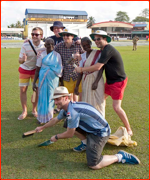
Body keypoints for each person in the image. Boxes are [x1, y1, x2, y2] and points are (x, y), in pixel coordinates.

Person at [35, 86, 140, 169]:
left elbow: (69, 134)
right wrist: (42, 127)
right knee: (67, 122)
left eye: (58, 99)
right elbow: (55, 120)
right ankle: (85, 144)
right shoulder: (68, 107)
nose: (55, 102)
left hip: (100, 133)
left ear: (66, 98)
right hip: (93, 128)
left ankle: (120, 156)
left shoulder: (72, 112)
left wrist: (56, 137)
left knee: (94, 164)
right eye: (55, 100)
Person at [75, 30, 133, 136]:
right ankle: (98, 121)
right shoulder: (102, 50)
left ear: (105, 39)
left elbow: (98, 67)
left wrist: (81, 69)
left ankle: (129, 129)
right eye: (95, 39)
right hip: (109, 81)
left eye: (99, 39)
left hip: (118, 81)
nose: (96, 41)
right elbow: (89, 54)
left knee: (116, 107)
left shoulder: (108, 49)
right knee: (100, 100)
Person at [32, 38, 62, 124]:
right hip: (43, 79)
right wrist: (34, 82)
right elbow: (37, 69)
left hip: (53, 80)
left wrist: (61, 81)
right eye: (48, 44)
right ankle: (41, 118)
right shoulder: (41, 54)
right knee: (42, 97)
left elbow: (60, 68)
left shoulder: (57, 55)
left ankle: (49, 116)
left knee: (51, 97)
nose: (51, 46)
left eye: (52, 44)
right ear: (45, 45)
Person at [18, 27, 44, 120]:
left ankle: (34, 110)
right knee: (23, 90)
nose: (34, 36)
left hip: (36, 70)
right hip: (24, 68)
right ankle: (24, 111)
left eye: (36, 34)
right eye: (33, 34)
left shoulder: (44, 46)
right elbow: (19, 60)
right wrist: (23, 60)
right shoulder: (25, 45)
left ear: (41, 36)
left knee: (36, 90)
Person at [74, 37, 105, 117]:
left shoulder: (98, 53)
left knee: (98, 101)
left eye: (87, 44)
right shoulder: (82, 56)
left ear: (90, 44)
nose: (86, 47)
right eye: (83, 45)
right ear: (81, 46)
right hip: (86, 80)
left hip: (96, 79)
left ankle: (99, 119)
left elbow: (101, 69)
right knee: (86, 100)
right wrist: (77, 86)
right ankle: (89, 120)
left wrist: (96, 82)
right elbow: (80, 72)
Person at [54, 28, 84, 102]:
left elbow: (87, 55)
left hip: (78, 74)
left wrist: (80, 55)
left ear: (72, 37)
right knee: (68, 95)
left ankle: (78, 109)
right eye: (64, 35)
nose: (65, 37)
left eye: (68, 35)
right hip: (66, 74)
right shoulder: (59, 46)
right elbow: (50, 51)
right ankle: (70, 110)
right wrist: (40, 51)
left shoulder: (78, 45)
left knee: (80, 94)